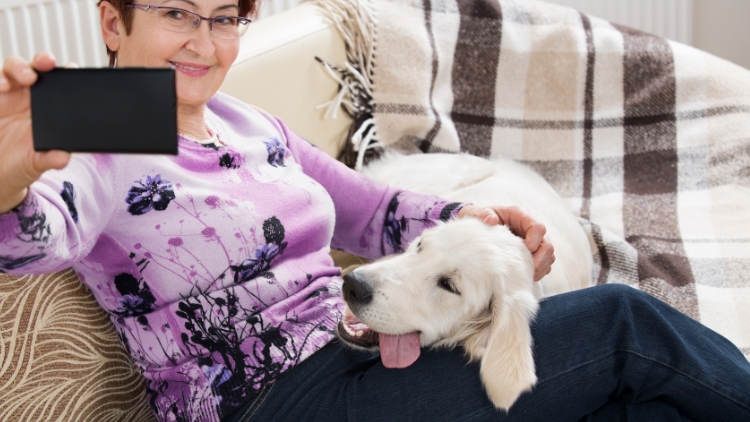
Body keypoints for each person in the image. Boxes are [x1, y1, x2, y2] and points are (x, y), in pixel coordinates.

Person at [0, 1, 748, 421]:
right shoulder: (96, 123)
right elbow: (37, 235)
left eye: (223, 17)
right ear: (111, 22)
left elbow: (374, 209)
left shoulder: (246, 122)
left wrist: (477, 219)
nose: (202, 42)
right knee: (622, 321)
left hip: (365, 359)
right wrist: (10, 176)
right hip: (274, 406)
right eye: (175, 14)